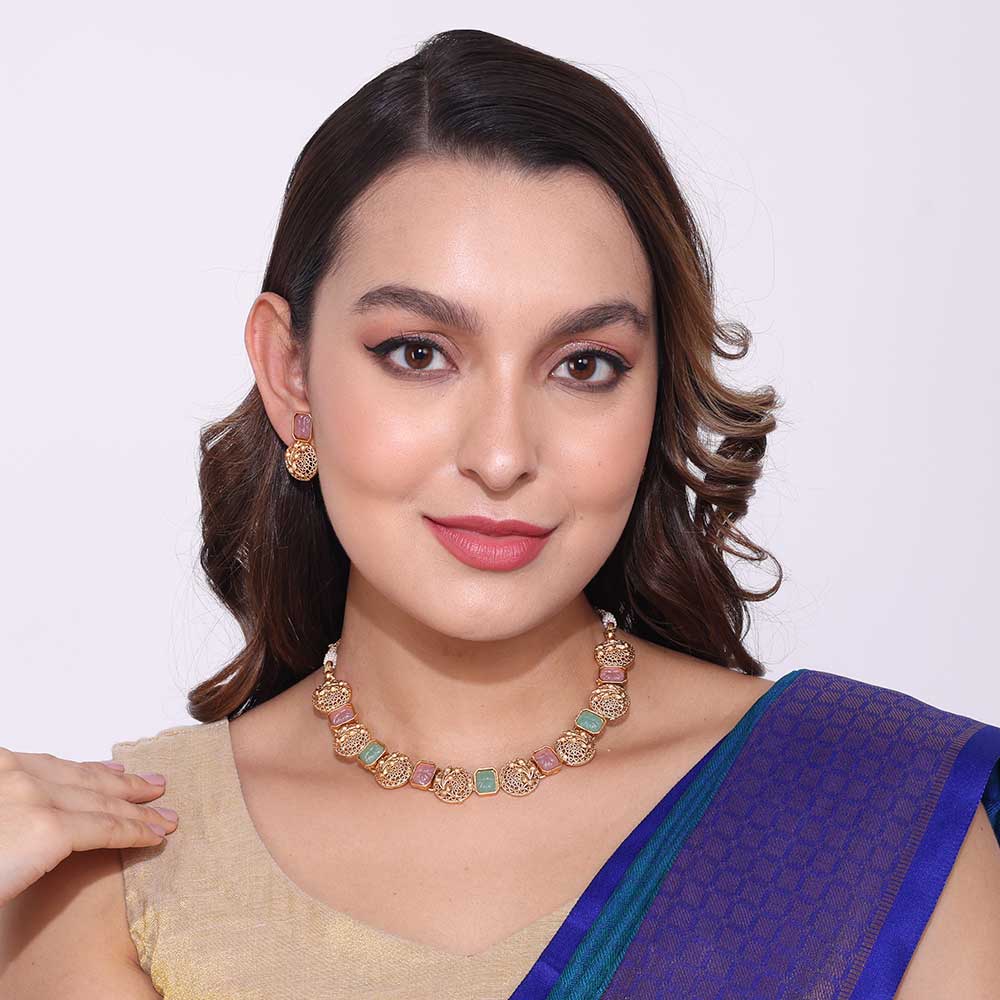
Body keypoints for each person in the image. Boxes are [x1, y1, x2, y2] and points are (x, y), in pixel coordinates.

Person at [1, 27, 998, 1000]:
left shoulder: (874, 821)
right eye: (419, 353)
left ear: (653, 394)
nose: (503, 454)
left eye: (583, 365)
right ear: (290, 373)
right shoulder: (122, 868)